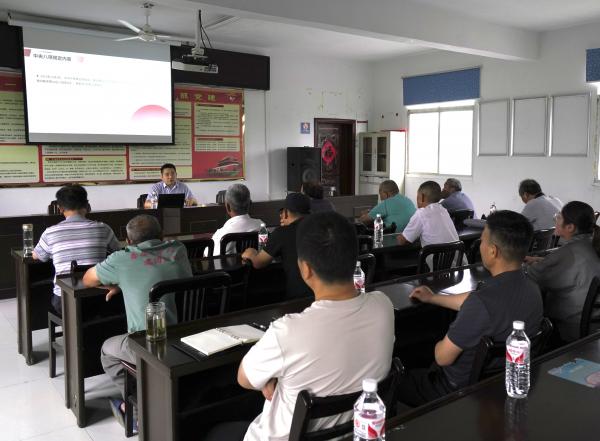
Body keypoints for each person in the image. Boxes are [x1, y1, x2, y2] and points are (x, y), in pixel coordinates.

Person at [208, 212, 395, 440]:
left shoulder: (287, 332)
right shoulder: (383, 306)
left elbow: (244, 378)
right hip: (353, 433)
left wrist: (273, 376)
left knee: (215, 432)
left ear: (305, 269)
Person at [397, 211, 543, 406]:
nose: (480, 245)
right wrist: (432, 298)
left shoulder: (481, 304)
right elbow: (474, 301)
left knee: (397, 375)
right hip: (501, 379)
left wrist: (436, 342)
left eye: (482, 241)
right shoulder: (532, 289)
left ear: (493, 251)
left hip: (455, 388)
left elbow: (442, 358)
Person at [82, 214, 192, 429]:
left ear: (128, 241)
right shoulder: (178, 249)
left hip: (149, 344)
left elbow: (87, 279)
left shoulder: (121, 260)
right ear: (162, 235)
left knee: (106, 351)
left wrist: (119, 283)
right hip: (186, 337)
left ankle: (138, 410)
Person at [32, 184, 120, 316]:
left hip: (64, 300)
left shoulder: (50, 233)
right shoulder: (103, 229)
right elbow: (118, 252)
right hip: (100, 296)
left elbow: (37, 256)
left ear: (60, 209)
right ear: (87, 206)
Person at [525, 201, 600, 343]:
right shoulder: (588, 243)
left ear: (570, 227)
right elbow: (565, 264)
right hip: (592, 324)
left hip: (570, 329)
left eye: (558, 217)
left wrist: (522, 265)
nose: (555, 219)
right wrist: (540, 260)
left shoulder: (568, 252)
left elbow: (532, 275)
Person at [241, 193, 313, 299]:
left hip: (299, 298)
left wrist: (251, 252)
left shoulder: (282, 233)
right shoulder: (322, 228)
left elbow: (258, 263)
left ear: (286, 213)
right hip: (326, 293)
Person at [397, 181, 459, 247]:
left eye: (417, 196)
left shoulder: (421, 213)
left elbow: (402, 241)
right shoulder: (443, 210)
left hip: (436, 253)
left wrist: (399, 237)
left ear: (422, 197)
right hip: (458, 252)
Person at [211, 184, 264, 256]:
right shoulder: (261, 226)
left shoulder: (221, 234)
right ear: (250, 204)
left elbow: (208, 254)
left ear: (228, 207)